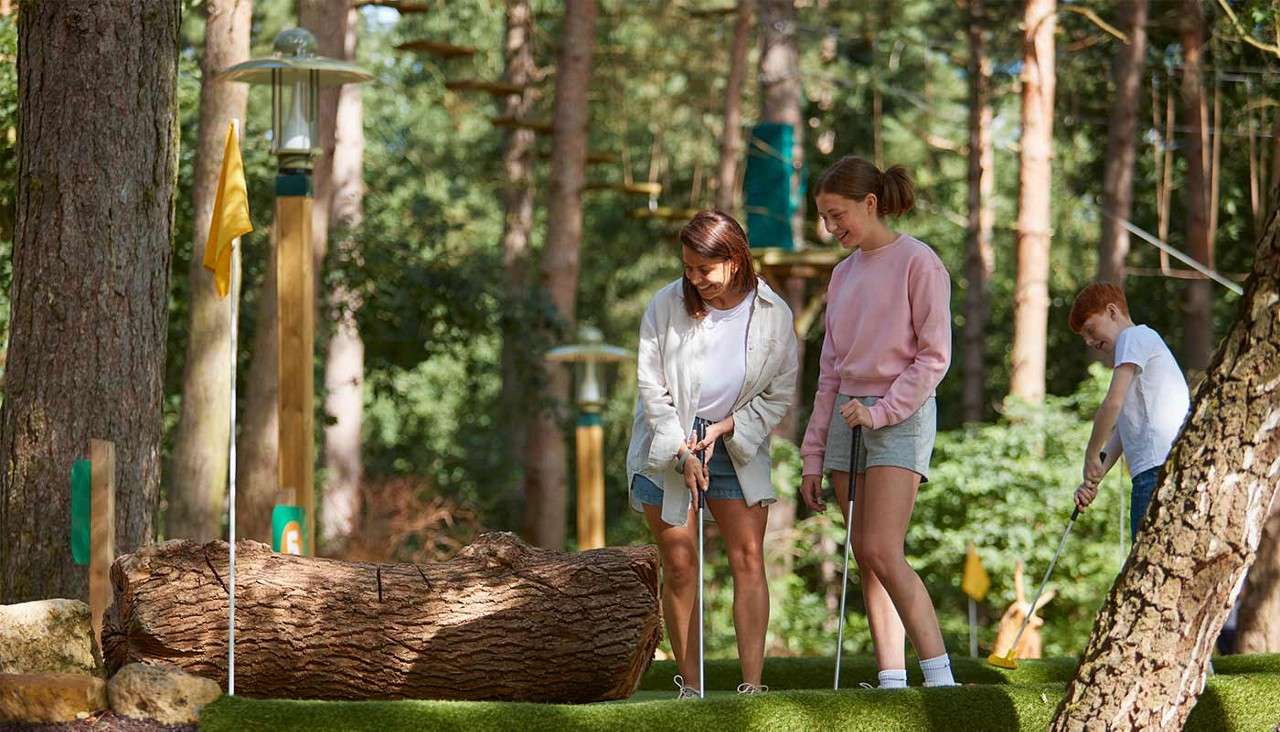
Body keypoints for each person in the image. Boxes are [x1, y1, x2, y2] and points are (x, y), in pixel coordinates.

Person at [798, 156, 957, 689]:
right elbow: (828, 373)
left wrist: (882, 412)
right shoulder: (841, 274)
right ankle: (891, 680)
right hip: (848, 414)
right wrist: (813, 455)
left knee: (881, 549)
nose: (830, 228)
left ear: (870, 204)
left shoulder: (919, 262)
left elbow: (934, 358)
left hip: (899, 414)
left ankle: (941, 680)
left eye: (836, 214)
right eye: (823, 217)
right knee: (862, 556)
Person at [626, 209, 798, 699]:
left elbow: (780, 393)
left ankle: (752, 686)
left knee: (748, 558)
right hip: (668, 442)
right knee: (680, 563)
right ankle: (691, 688)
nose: (694, 279)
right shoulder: (665, 305)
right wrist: (681, 449)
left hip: (735, 441)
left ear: (736, 260)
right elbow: (650, 385)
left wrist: (727, 428)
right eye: (688, 268)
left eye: (704, 269)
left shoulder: (774, 313)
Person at [1068, 282, 1191, 542]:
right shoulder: (1139, 348)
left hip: (1154, 473)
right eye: (1085, 338)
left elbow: (1112, 403)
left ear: (1112, 312)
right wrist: (1094, 477)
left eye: (1090, 330)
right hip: (1160, 469)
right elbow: (1123, 433)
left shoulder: (1132, 337)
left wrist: (1090, 454)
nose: (1090, 341)